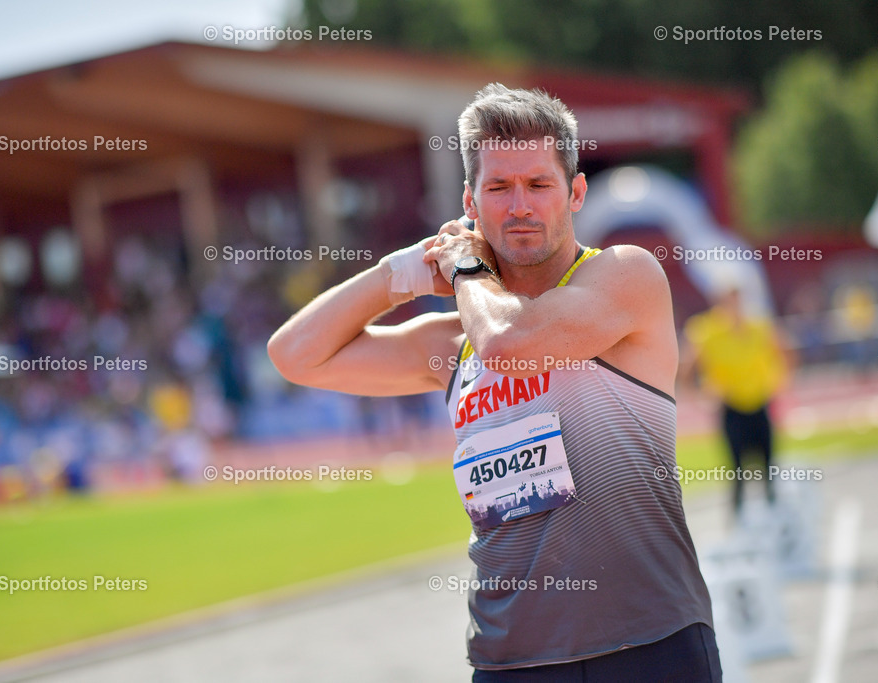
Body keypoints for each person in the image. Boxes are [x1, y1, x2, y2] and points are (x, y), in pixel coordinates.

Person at [269, 83, 720, 681]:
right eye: (499, 188)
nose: (520, 206)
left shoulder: (624, 277)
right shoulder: (451, 342)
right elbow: (295, 354)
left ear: (576, 192)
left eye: (539, 184)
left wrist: (464, 267)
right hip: (511, 660)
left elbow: (512, 345)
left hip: (648, 644)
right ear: (470, 203)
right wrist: (404, 271)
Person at [681, 281, 792, 516]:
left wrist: (779, 381)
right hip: (731, 406)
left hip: (759, 401)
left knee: (769, 465)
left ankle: (775, 517)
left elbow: (784, 351)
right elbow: (687, 369)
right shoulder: (707, 330)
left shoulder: (758, 325)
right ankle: (738, 521)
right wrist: (701, 396)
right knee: (736, 470)